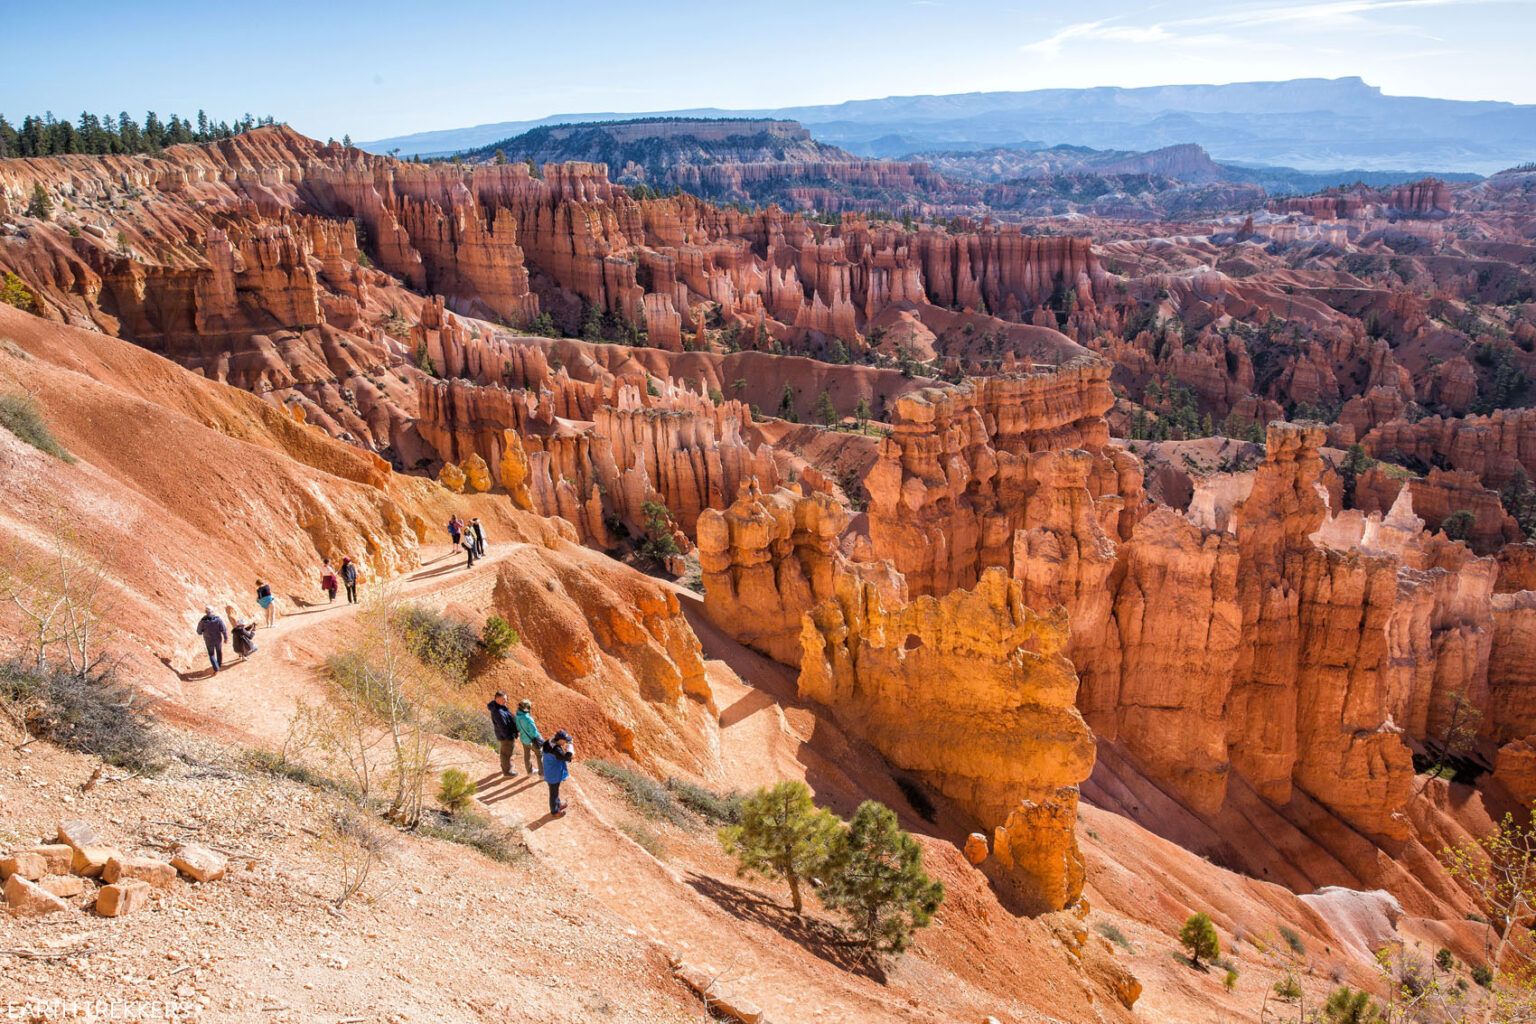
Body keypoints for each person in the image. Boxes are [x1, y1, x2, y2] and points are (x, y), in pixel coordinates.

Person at [542, 730, 574, 817]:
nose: (566, 742)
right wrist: (570, 750)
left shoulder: (550, 741)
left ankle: (558, 804)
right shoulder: (556, 749)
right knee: (553, 794)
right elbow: (565, 757)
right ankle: (555, 812)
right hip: (553, 774)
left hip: (550, 770)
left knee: (555, 792)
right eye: (565, 740)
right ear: (560, 739)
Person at [487, 691, 519, 777]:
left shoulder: (500, 706)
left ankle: (506, 766)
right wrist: (509, 737)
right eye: (502, 699)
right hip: (506, 737)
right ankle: (507, 772)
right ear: (496, 699)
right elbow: (503, 727)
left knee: (505, 752)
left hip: (505, 735)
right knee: (506, 754)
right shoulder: (498, 712)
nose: (505, 701)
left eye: (505, 699)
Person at [195, 606, 229, 674]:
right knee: (219, 652)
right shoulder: (218, 620)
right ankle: (218, 665)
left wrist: (203, 631)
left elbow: (199, 632)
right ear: (213, 611)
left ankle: (216, 668)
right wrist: (225, 638)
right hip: (218, 639)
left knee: (211, 654)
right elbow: (224, 629)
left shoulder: (202, 621)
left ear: (206, 612)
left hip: (208, 640)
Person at [514, 699, 543, 777]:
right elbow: (534, 732)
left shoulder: (517, 715)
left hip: (523, 739)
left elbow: (517, 728)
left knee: (527, 755)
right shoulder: (528, 719)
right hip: (532, 741)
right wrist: (539, 737)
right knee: (539, 755)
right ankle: (542, 774)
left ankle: (529, 772)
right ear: (526, 708)